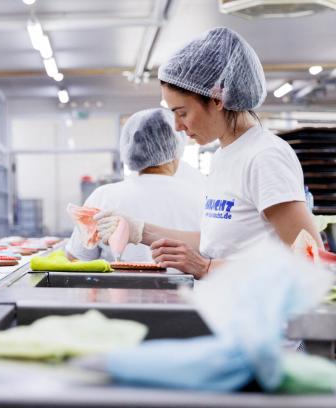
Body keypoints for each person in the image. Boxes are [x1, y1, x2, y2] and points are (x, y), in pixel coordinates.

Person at [96, 27, 320, 278]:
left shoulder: (265, 157)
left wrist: (205, 267)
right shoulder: (225, 155)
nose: (178, 126)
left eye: (182, 113)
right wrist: (138, 230)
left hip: (261, 313)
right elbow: (216, 243)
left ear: (217, 98)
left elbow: (309, 259)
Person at [66, 108, 205, 262]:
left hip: (116, 286)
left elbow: (76, 259)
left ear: (129, 148)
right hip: (185, 287)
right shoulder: (201, 197)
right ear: (176, 147)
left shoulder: (103, 196)